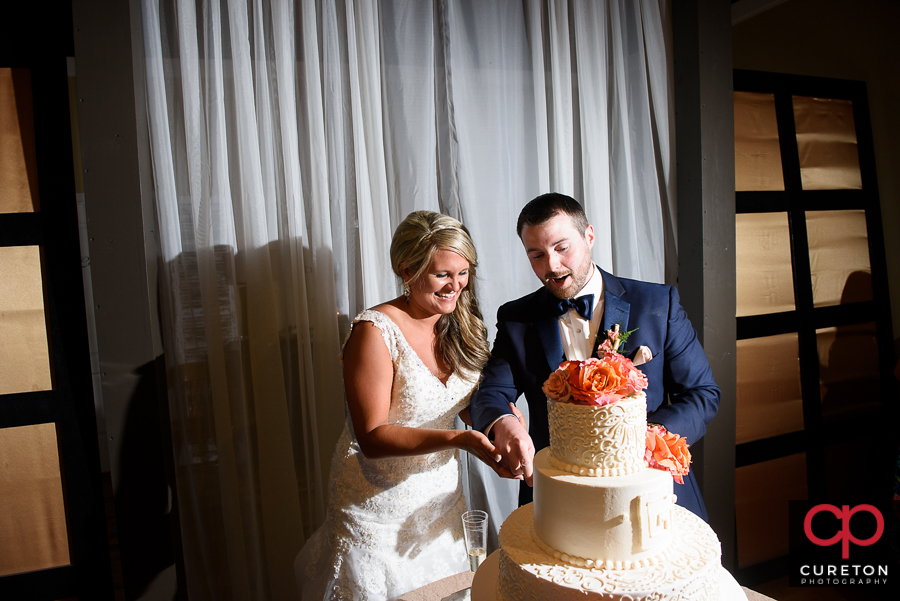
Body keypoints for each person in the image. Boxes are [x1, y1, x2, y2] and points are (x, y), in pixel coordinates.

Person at [295, 210, 512, 601]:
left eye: (462, 273)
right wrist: (461, 440)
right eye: (442, 274)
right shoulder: (374, 332)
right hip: (377, 506)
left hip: (439, 502)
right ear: (406, 269)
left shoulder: (459, 323)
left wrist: (503, 428)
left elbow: (463, 404)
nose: (456, 286)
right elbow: (373, 438)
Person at [468, 193, 721, 520]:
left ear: (589, 236)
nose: (552, 266)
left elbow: (703, 394)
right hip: (557, 500)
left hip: (651, 491)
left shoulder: (658, 304)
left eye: (561, 248)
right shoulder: (518, 318)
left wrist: (640, 438)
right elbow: (490, 392)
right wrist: (503, 423)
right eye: (537, 255)